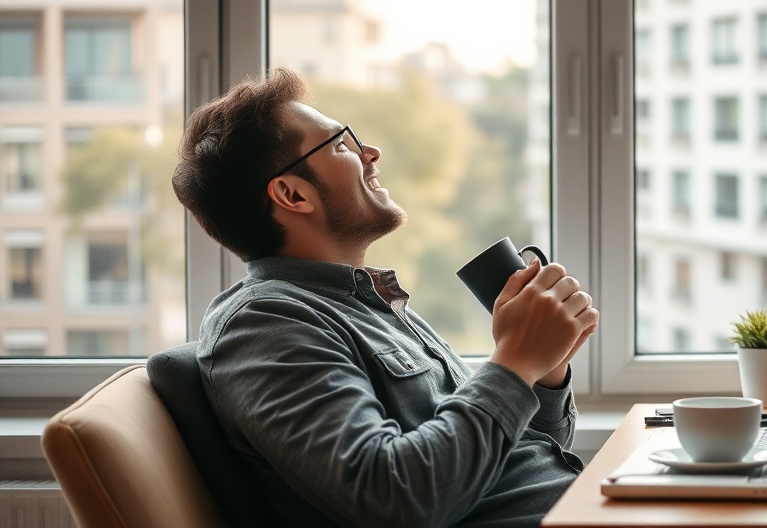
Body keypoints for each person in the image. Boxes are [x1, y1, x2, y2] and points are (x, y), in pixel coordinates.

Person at [171, 67, 599, 527]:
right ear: (292, 194)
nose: (370, 152)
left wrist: (544, 371)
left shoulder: (372, 305)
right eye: (340, 144)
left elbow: (514, 460)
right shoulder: (264, 324)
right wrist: (514, 363)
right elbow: (394, 501)